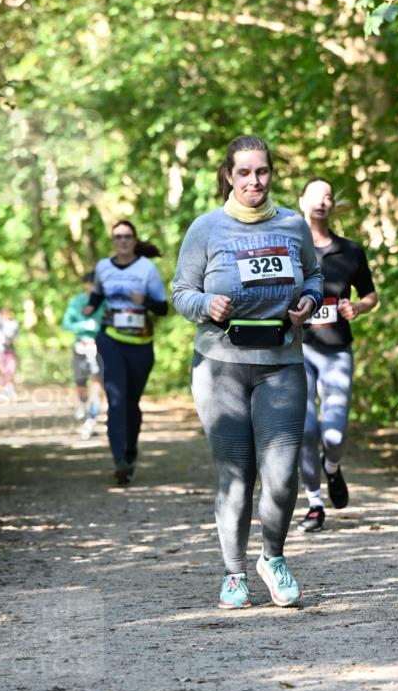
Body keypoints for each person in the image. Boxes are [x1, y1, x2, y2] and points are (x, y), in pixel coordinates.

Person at [172, 134, 323, 610]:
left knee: (281, 476)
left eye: (262, 172)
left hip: (281, 364)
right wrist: (206, 304)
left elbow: (315, 276)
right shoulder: (206, 228)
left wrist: (309, 301)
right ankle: (234, 573)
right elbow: (181, 291)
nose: (254, 181)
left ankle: (272, 558)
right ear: (229, 176)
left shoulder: (293, 225)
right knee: (236, 474)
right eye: (244, 173)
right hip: (221, 367)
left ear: (271, 174)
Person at [297, 177, 378, 532]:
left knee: (333, 435)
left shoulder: (351, 251)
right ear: (301, 202)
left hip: (336, 350)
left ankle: (332, 468)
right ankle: (314, 503)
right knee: (306, 430)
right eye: (315, 196)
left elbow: (371, 295)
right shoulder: (288, 249)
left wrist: (356, 307)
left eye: (328, 196)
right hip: (296, 350)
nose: (322, 202)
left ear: (332, 205)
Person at [84, 221, 168, 484]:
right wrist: (90, 307)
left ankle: (130, 453)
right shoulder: (103, 267)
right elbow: (98, 295)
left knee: (131, 401)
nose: (122, 241)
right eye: (118, 237)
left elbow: (163, 308)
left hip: (141, 343)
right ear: (112, 240)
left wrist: (145, 302)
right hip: (110, 339)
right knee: (116, 399)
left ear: (134, 239)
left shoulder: (147, 268)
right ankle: (119, 459)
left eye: (127, 236)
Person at [62, 273, 105, 439]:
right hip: (80, 347)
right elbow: (66, 324)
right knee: (81, 383)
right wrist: (84, 325)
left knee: (97, 382)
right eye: (90, 284)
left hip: (99, 347)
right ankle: (81, 403)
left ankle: (91, 419)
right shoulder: (76, 302)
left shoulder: (105, 301)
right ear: (85, 285)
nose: (92, 288)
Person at [0, 307, 19, 401]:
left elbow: (16, 335)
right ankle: (3, 391)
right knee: (3, 371)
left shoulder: (14, 323)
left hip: (10, 349)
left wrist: (14, 338)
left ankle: (10, 390)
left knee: (11, 370)